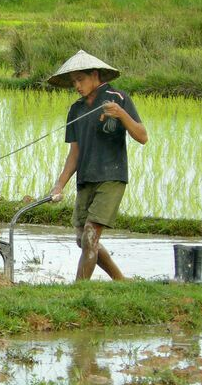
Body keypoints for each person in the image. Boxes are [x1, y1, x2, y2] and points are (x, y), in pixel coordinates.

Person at [48, 50, 148, 281]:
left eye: (80, 79)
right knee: (82, 239)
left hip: (111, 176)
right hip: (86, 178)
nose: (77, 86)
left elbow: (142, 137)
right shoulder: (76, 109)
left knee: (90, 237)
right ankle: (121, 281)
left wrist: (121, 114)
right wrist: (59, 186)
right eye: (73, 82)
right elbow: (75, 152)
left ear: (95, 75)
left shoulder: (117, 98)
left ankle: (79, 290)